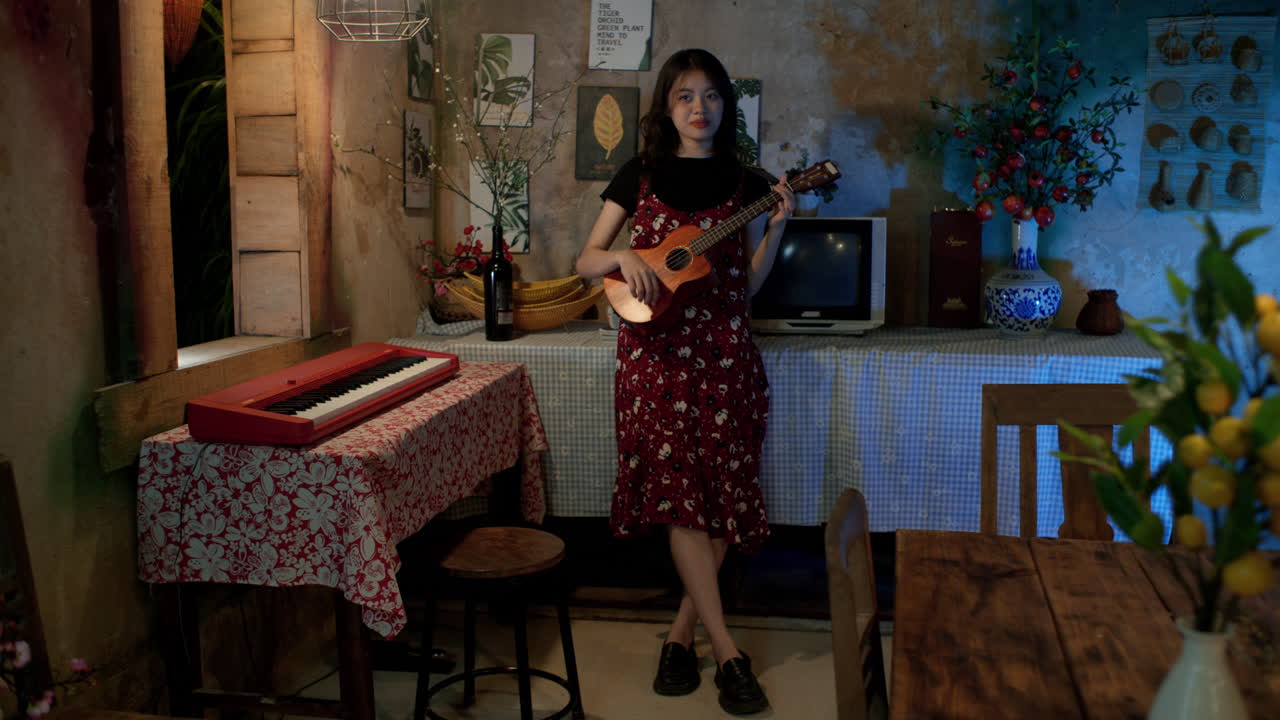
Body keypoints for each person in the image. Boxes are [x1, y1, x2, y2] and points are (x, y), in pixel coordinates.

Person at [575, 48, 795, 716]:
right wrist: (620, 256)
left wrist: (777, 229)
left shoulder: (744, 180)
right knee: (678, 496)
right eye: (684, 96)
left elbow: (745, 287)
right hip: (656, 356)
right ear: (666, 107)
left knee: (723, 493)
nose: (699, 108)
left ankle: (679, 634)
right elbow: (585, 261)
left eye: (711, 96)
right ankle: (728, 651)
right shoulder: (637, 174)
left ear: (725, 107)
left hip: (727, 353)